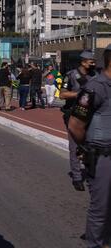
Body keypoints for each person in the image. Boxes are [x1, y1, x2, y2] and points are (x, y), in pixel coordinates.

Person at [68, 44, 111, 248]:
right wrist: (87, 149)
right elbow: (75, 126)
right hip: (103, 156)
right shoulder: (95, 88)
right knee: (101, 208)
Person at [60, 50, 97, 192]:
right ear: (83, 62)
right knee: (74, 147)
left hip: (92, 116)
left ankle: (92, 172)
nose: (93, 64)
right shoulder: (71, 76)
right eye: (91, 61)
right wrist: (80, 94)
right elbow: (62, 94)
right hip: (74, 116)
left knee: (92, 145)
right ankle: (77, 177)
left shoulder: (96, 76)